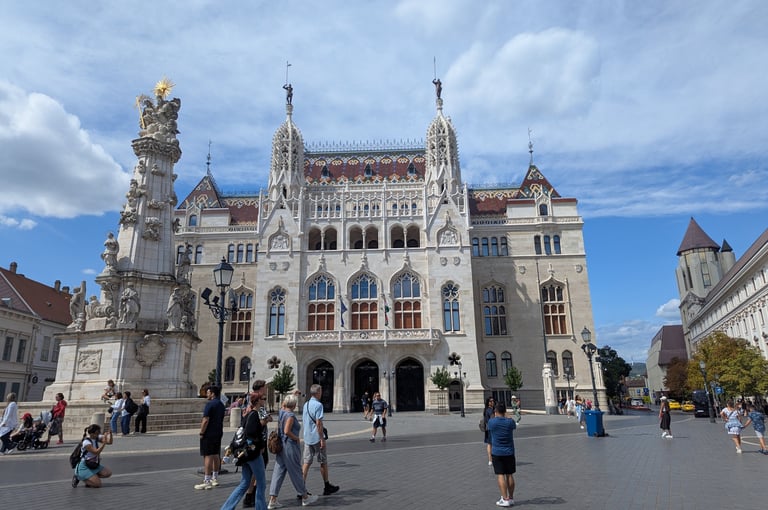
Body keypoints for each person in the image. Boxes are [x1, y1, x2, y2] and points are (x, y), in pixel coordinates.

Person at [221, 381, 271, 510]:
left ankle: (227, 507)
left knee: (244, 483)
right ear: (258, 401)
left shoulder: (248, 413)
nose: (264, 400)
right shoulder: (254, 414)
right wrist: (260, 446)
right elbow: (251, 434)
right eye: (263, 399)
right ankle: (261, 508)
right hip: (253, 454)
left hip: (246, 454)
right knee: (261, 483)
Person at [268, 394, 318, 509]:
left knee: (278, 472)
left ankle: (272, 499)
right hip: (290, 446)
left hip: (281, 446)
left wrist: (292, 396)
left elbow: (283, 405)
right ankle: (305, 497)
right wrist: (297, 438)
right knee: (296, 472)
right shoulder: (290, 415)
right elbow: (287, 431)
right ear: (294, 405)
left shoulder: (281, 412)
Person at [302, 384, 339, 497]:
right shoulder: (318, 405)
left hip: (307, 437)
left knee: (306, 463)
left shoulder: (306, 404)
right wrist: (322, 439)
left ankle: (301, 488)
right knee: (323, 462)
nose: (322, 393)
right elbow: (319, 423)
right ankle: (326, 486)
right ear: (318, 392)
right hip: (317, 438)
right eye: (321, 391)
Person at [195, 385, 226, 490]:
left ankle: (207, 480)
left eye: (208, 392)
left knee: (207, 455)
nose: (207, 394)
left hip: (209, 433)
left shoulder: (209, 404)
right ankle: (215, 478)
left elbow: (205, 420)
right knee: (216, 454)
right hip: (218, 432)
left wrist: (202, 432)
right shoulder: (221, 405)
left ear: (212, 394)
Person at [487, 401, 517, 507]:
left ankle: (505, 498)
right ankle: (511, 497)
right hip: (509, 451)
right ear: (505, 411)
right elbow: (514, 424)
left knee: (500, 475)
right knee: (510, 475)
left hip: (497, 452)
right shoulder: (510, 422)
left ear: (495, 411)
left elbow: (488, 427)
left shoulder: (492, 422)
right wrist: (507, 416)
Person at [72, 424, 113, 488]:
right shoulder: (86, 442)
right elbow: (96, 452)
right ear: (91, 434)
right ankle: (79, 476)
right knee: (98, 484)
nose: (98, 434)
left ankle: (91, 478)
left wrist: (110, 434)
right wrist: (104, 443)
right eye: (97, 433)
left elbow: (110, 442)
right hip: (85, 465)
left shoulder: (96, 438)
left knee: (108, 473)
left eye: (99, 432)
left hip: (93, 464)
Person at [483, 397, 495, 466]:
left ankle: (490, 459)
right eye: (491, 401)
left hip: (488, 429)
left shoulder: (486, 410)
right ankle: (491, 459)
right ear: (488, 402)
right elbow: (492, 419)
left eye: (493, 401)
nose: (492, 402)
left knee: (489, 444)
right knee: (491, 444)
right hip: (491, 429)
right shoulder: (490, 410)